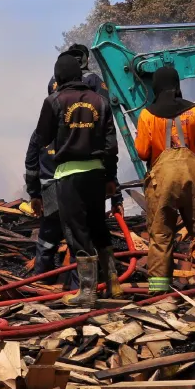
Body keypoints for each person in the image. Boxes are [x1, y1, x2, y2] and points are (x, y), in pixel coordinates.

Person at [32, 54, 122, 307]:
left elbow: (43, 138)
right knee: (99, 227)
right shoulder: (101, 102)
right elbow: (111, 146)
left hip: (69, 174)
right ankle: (114, 283)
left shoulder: (54, 101)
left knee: (79, 232)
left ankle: (87, 292)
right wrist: (111, 177)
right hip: (96, 172)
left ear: (58, 77)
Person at [134, 66, 195, 293]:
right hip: (192, 177)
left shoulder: (147, 115)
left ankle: (159, 292)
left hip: (162, 180)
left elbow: (141, 152)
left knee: (160, 235)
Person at [26, 73, 107, 283]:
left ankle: (41, 280)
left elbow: (31, 164)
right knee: (76, 236)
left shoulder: (41, 130)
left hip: (51, 190)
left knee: (48, 237)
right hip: (70, 187)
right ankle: (77, 285)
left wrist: (34, 194)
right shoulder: (81, 127)